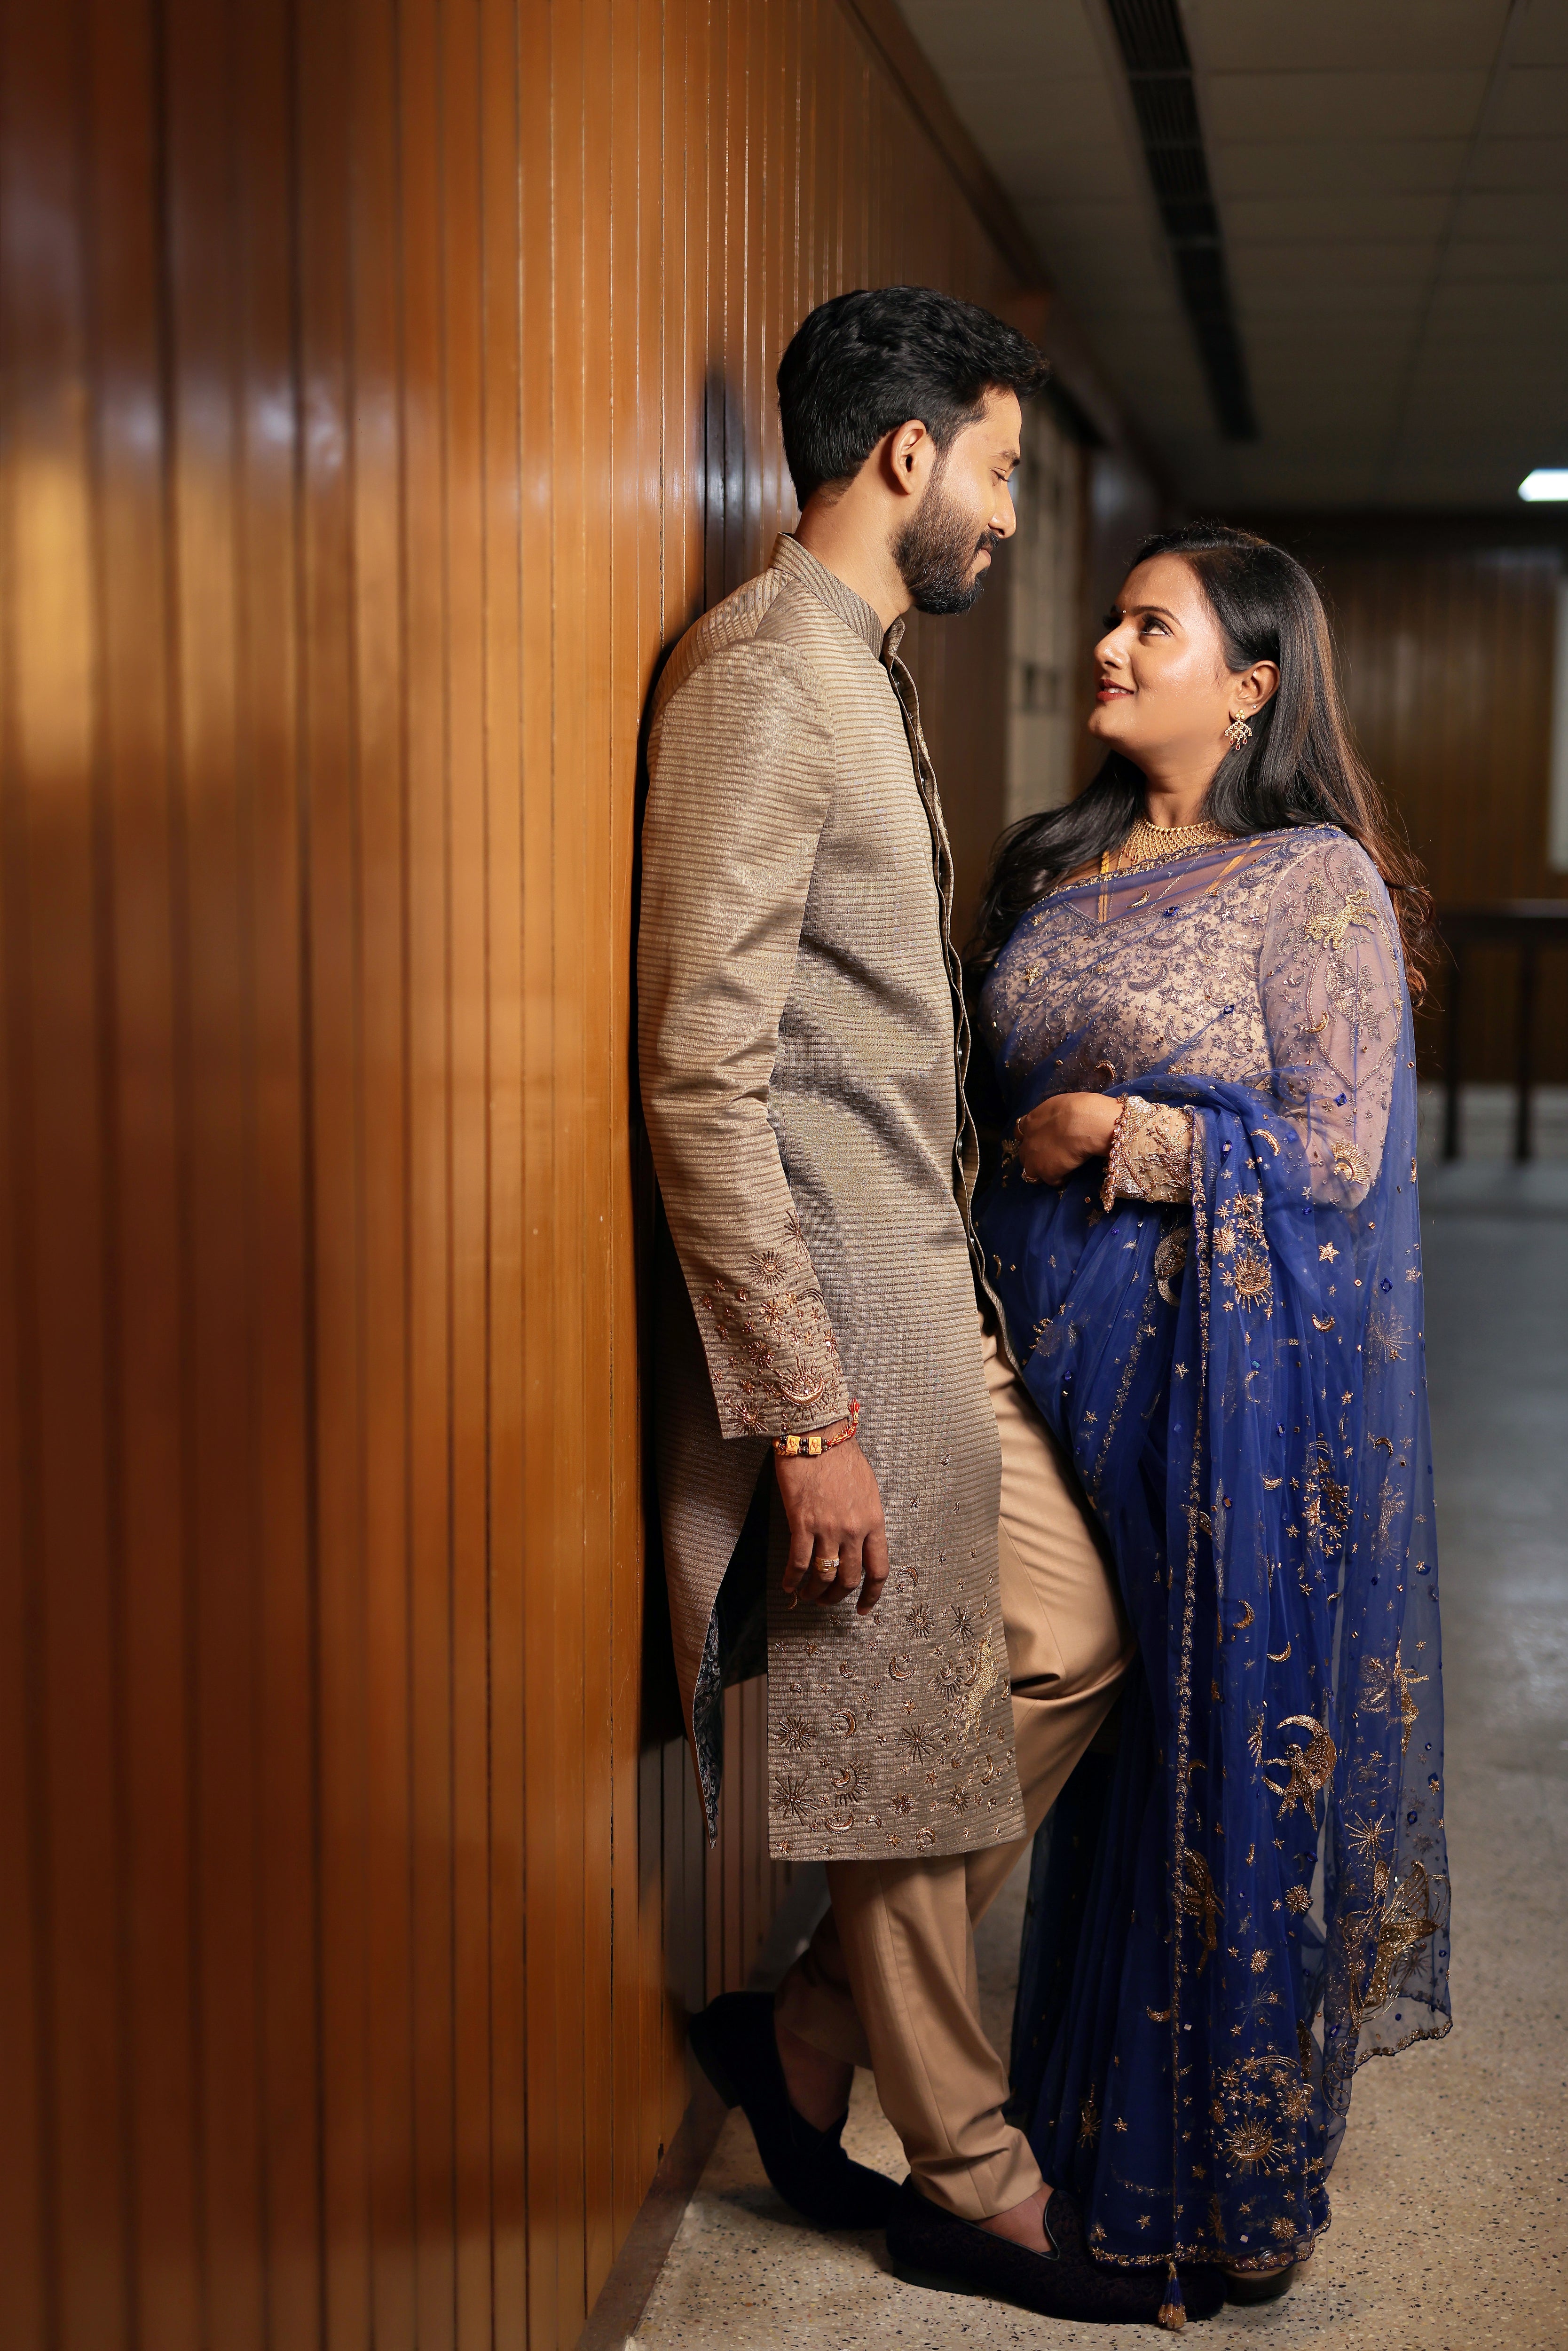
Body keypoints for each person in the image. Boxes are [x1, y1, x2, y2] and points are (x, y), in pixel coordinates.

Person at [638, 289, 1226, 2325]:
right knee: (901, 1735)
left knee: (1065, 1638)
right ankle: (966, 2174)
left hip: (931, 1270)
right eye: (991, 466)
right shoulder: (756, 674)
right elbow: (701, 1068)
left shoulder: (855, 667)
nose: (996, 509)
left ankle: (806, 2035)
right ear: (906, 457)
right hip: (846, 1320)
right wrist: (804, 1414)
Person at [967, 522, 1452, 2320]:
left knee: (1211, 1744)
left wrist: (1119, 1135)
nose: (1106, 644)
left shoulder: (1308, 879)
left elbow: (1333, 1151)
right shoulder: (1057, 861)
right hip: (1038, 1359)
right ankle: (1087, 2145)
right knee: (1102, 1743)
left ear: (1249, 685)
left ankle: (1212, 2192)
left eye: (1147, 626)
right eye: (1110, 617)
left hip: (1219, 1376)